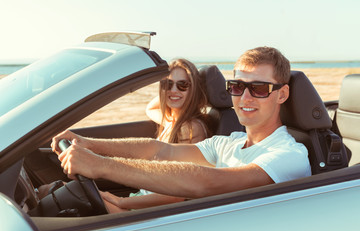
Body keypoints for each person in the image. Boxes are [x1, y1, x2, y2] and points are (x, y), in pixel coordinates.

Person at [52, 46, 312, 213]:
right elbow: (159, 150)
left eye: (258, 88)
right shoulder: (230, 142)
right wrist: (88, 143)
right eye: (237, 86)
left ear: (282, 94)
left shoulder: (289, 154)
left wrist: (101, 166)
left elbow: (207, 182)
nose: (245, 98)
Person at [101, 59, 212, 211]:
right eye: (168, 84)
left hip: (153, 210)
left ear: (194, 90)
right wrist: (169, 92)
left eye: (182, 85)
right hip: (144, 198)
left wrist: (122, 202)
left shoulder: (190, 129)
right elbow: (150, 108)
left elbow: (178, 193)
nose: (174, 90)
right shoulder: (171, 121)